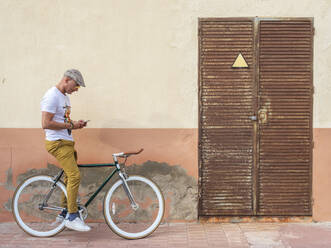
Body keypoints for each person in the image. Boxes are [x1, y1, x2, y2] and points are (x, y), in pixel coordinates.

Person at [40, 69, 90, 232]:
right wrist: (70, 125)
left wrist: (76, 124)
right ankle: (72, 216)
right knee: (75, 176)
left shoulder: (64, 97)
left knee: (69, 177)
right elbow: (46, 123)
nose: (76, 90)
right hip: (57, 143)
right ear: (67, 80)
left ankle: (63, 211)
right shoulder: (52, 95)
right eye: (76, 86)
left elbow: (63, 121)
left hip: (66, 142)